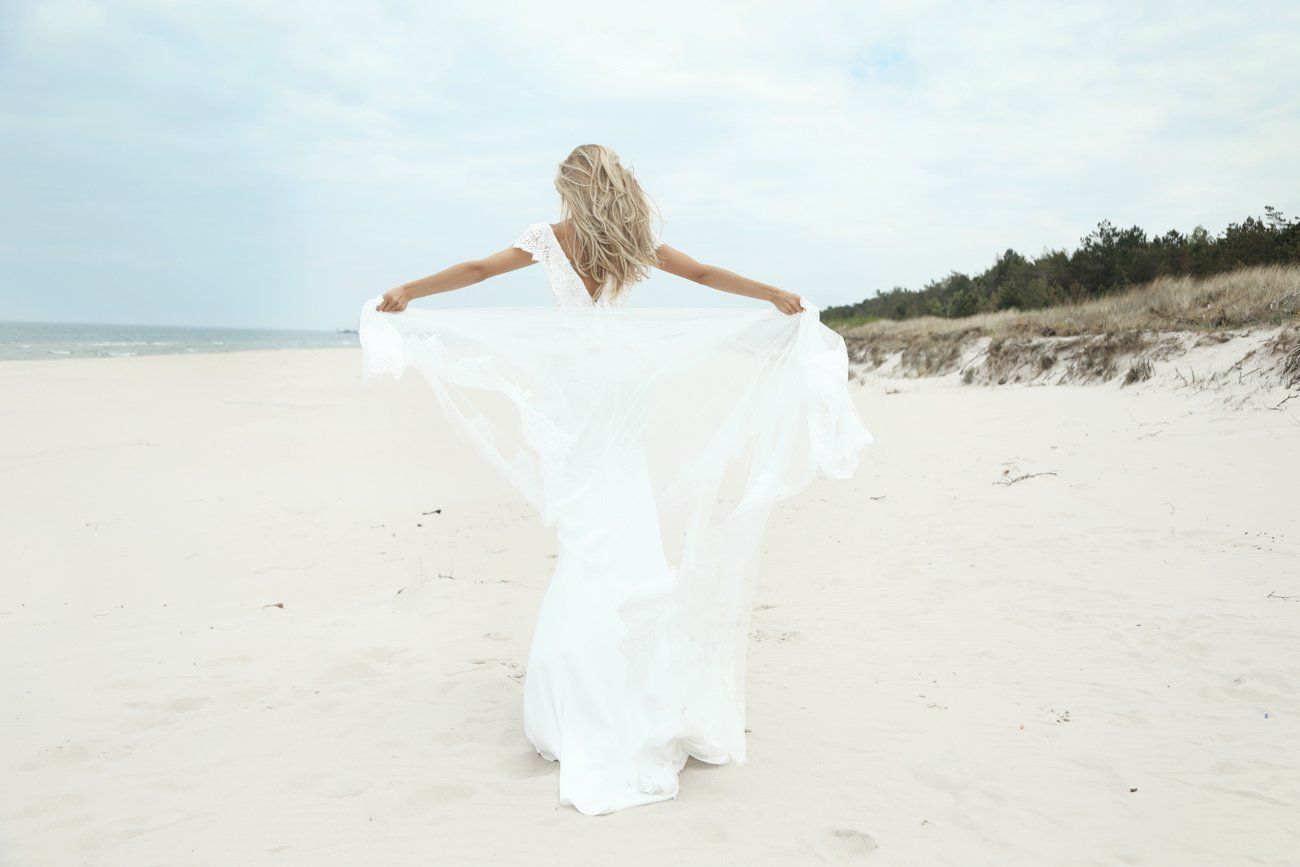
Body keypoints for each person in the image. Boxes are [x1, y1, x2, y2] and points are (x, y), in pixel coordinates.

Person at [360, 143, 871, 815]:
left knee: (588, 526)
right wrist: (771, 293)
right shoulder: (634, 241)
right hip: (622, 384)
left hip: (577, 386)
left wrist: (410, 290)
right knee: (622, 515)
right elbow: (709, 275)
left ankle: (585, 692)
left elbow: (481, 269)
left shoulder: (550, 238)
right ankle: (630, 681)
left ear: (570, 188)